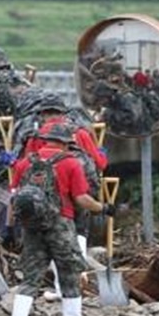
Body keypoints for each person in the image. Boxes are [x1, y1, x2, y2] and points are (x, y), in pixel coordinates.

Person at [8, 124, 115, 316]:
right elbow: (81, 200)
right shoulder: (70, 163)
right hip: (61, 226)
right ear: (67, 143)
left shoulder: (24, 163)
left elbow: (14, 197)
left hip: (32, 229)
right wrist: (103, 208)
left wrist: (12, 226)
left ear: (46, 140)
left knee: (30, 279)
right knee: (69, 277)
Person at [20, 93, 107, 301]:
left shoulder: (36, 135)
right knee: (80, 231)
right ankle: (80, 276)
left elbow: (25, 166)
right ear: (63, 112)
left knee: (50, 237)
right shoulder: (80, 132)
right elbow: (101, 164)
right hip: (82, 191)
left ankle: (60, 287)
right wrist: (101, 154)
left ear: (43, 114)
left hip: (47, 200)